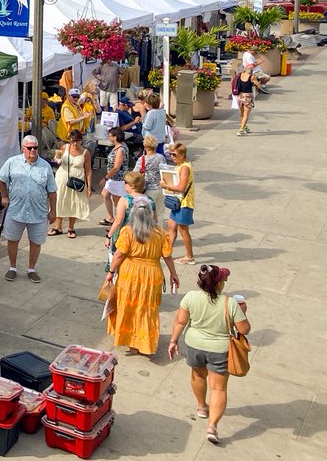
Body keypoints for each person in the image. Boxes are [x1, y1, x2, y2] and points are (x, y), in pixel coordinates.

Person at [168, 264, 250, 445]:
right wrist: (242, 311)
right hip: (220, 350)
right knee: (218, 388)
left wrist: (173, 342)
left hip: (194, 345)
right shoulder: (231, 304)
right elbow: (244, 329)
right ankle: (212, 426)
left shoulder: (190, 297)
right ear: (219, 284)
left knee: (197, 374)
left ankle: (201, 407)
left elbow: (180, 322)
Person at [105, 202, 180, 356]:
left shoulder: (127, 231)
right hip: (152, 275)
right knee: (147, 308)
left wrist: (111, 272)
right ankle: (144, 342)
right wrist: (173, 274)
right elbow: (167, 256)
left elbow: (119, 254)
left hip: (129, 273)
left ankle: (130, 341)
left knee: (128, 305)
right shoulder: (160, 233)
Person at [0, 134, 57, 283]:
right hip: (16, 210)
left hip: (38, 212)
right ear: (23, 148)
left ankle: (31, 269)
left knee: (36, 242)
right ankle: (12, 267)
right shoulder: (12, 162)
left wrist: (53, 210)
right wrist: (4, 196)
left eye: (35, 148)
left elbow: (52, 190)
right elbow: (1, 178)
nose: (33, 150)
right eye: (30, 148)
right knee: (12, 239)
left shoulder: (45, 166)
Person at [51, 129, 91, 238]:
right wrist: (57, 159)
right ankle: (57, 227)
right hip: (62, 177)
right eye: (73, 141)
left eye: (77, 141)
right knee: (59, 200)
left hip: (77, 179)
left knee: (74, 202)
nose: (75, 144)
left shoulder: (86, 153)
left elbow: (88, 170)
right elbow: (57, 158)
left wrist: (89, 187)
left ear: (81, 140)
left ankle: (71, 227)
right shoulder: (64, 148)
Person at [162, 142, 196, 264]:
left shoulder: (185, 167)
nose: (172, 157)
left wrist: (166, 186)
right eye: (171, 154)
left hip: (185, 203)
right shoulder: (180, 165)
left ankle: (189, 257)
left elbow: (181, 187)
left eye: (174, 155)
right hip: (178, 202)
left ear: (182, 155)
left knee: (183, 230)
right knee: (171, 226)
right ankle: (167, 250)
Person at [98, 126, 129, 226]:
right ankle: (111, 217)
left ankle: (119, 222)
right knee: (105, 194)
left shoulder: (121, 149)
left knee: (117, 202)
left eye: (110, 135)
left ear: (115, 137)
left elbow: (116, 167)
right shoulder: (119, 146)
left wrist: (105, 178)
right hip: (113, 178)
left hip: (117, 179)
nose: (108, 137)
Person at [137, 133, 164, 210]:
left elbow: (135, 175)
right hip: (160, 188)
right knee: (160, 213)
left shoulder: (142, 159)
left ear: (145, 147)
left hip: (148, 189)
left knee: (148, 213)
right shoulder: (161, 157)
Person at [234, 61, 256, 136]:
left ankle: (245, 127)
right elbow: (258, 85)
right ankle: (241, 130)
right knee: (246, 114)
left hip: (240, 96)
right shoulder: (251, 77)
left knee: (242, 114)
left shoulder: (240, 75)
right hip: (247, 97)